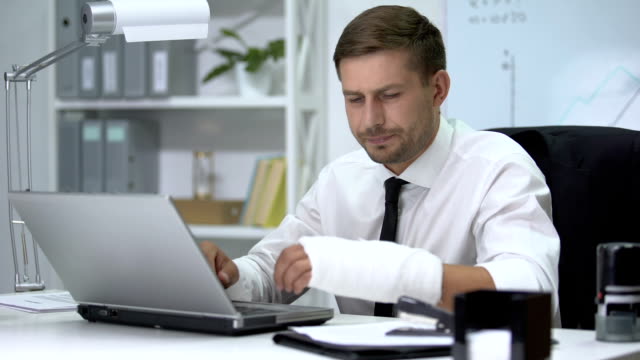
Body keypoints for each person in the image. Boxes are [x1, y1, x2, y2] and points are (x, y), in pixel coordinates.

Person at [200, 5, 560, 322]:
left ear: (438, 89)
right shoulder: (340, 180)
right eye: (355, 99)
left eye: (389, 96)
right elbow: (273, 271)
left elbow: (529, 291)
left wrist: (388, 272)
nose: (370, 120)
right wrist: (230, 276)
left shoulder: (497, 167)